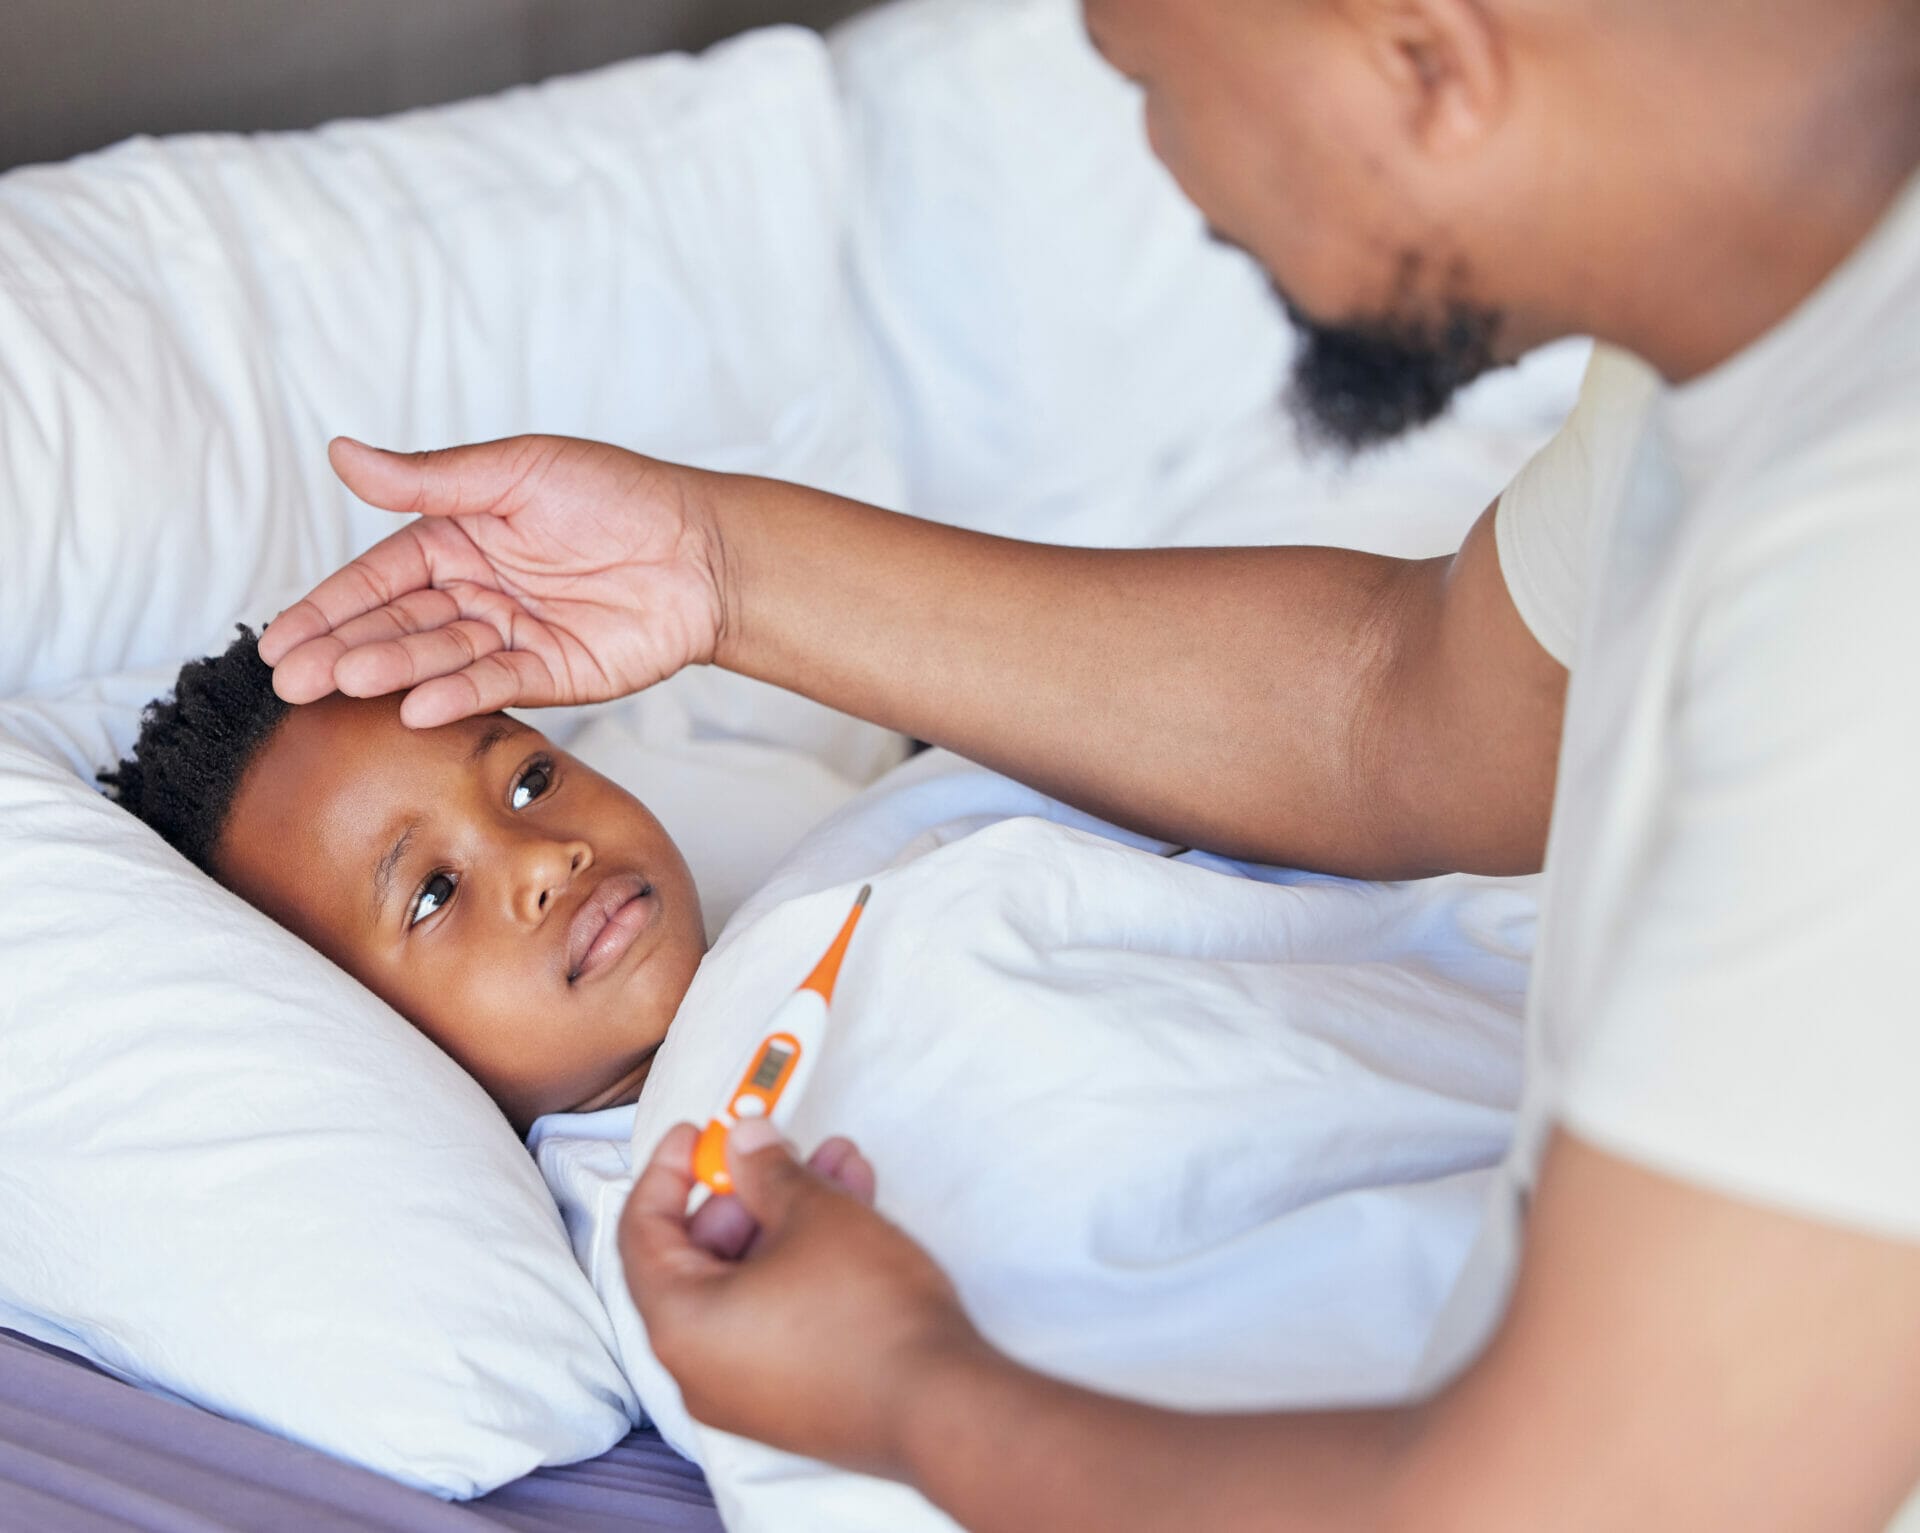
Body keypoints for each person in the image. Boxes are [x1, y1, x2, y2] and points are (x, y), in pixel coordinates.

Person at [256, 0, 1920, 1525]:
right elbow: (1402, 709)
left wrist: (912, 1392)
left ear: (1422, 57)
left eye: (1150, 82)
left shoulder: (1860, 580)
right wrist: (717, 564)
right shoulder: (1780, 332)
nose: (1176, 175)